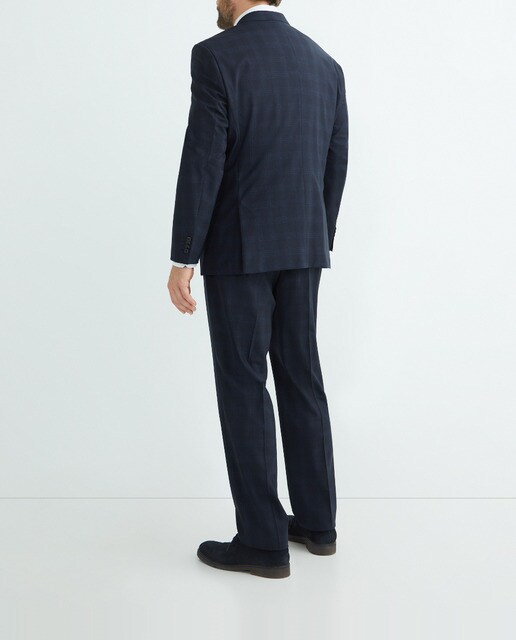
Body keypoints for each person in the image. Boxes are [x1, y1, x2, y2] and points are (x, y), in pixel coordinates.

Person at [166, 0, 348, 579]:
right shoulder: (324, 64)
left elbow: (204, 160)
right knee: (301, 375)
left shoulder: (216, 56)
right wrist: (317, 235)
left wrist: (183, 254)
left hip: (239, 249)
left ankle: (263, 542)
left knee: (244, 385)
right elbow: (336, 160)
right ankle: (318, 524)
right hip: (304, 245)